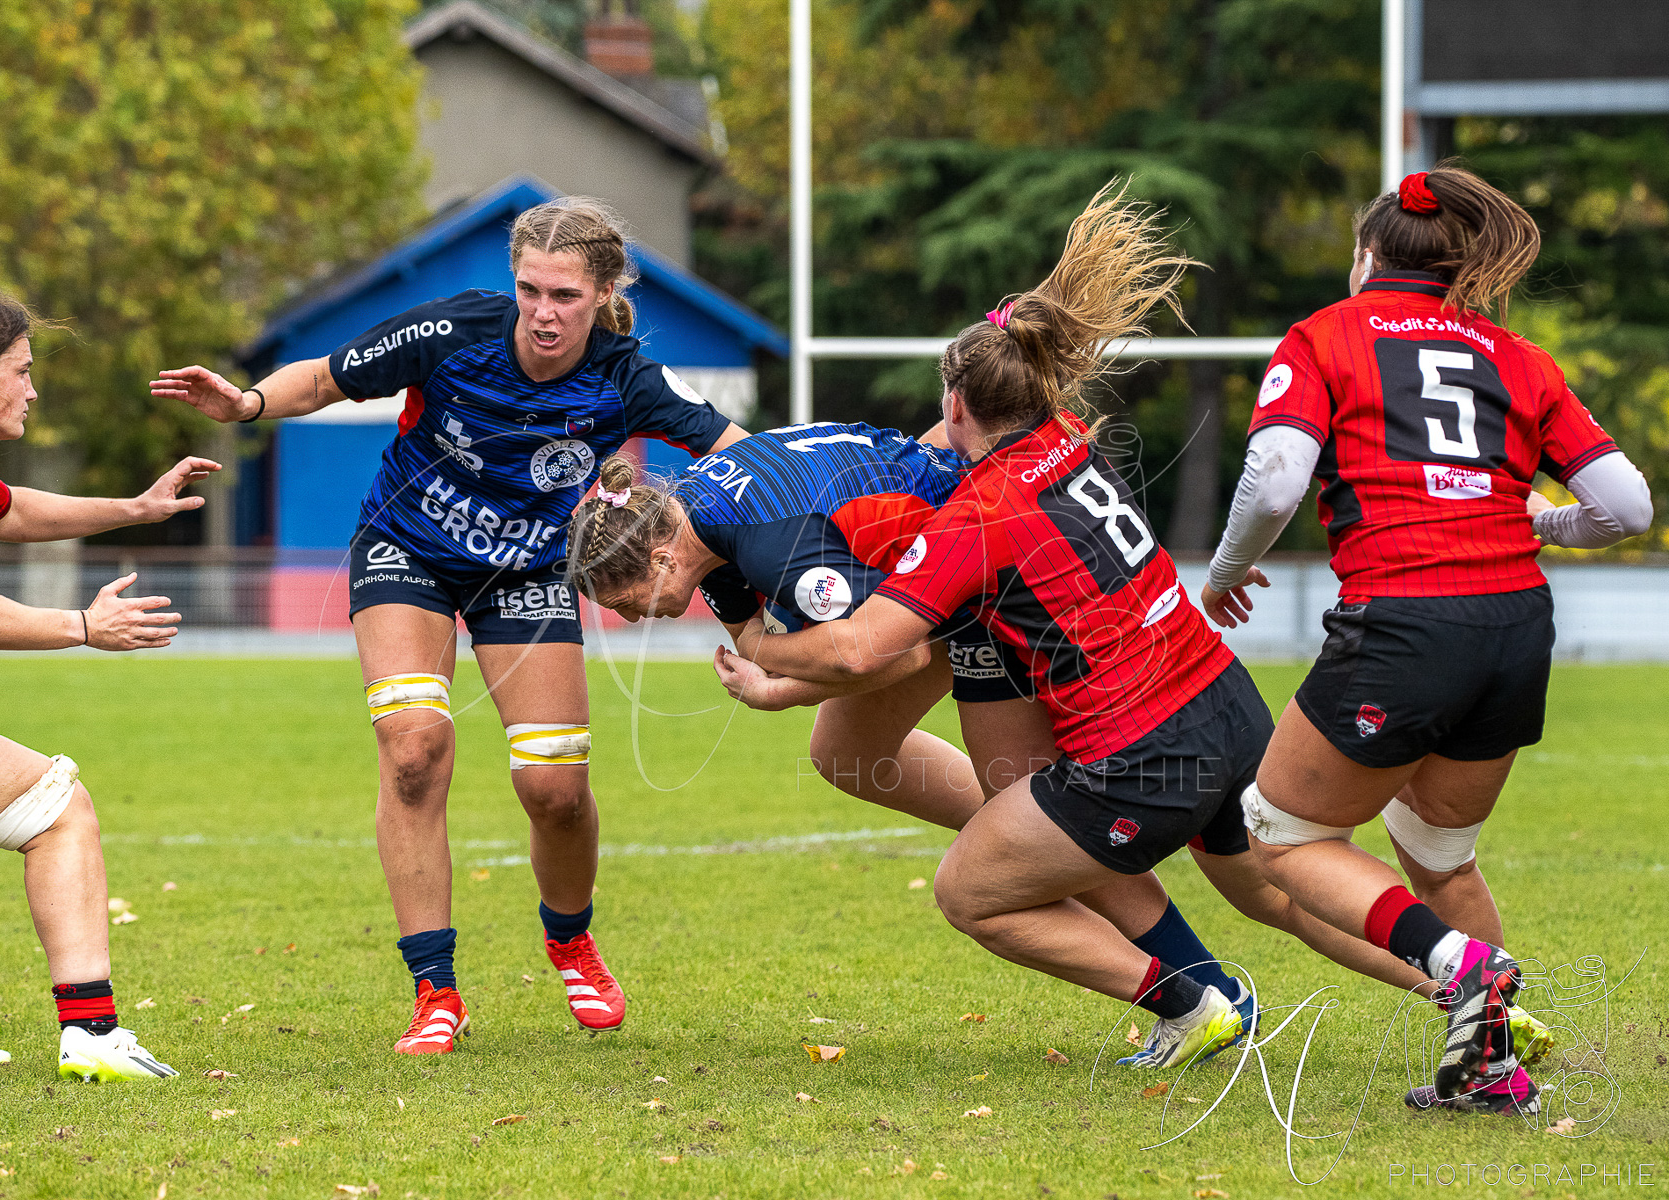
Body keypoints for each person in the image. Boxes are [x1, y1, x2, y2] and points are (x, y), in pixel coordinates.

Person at [725, 186, 1438, 1070]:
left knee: (977, 886)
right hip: (1223, 697)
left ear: (954, 406)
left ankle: (1189, 1001)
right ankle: (1470, 987)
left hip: (1144, 753)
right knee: (1282, 894)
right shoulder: (1067, 434)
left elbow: (867, 647)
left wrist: (761, 652)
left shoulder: (978, 517)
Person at [153, 197, 749, 1054]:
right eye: (530, 290)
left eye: (566, 297)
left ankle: (570, 938)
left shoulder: (629, 378)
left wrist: (758, 540)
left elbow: (740, 450)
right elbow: (323, 376)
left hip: (529, 573)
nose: (543, 313)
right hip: (408, 549)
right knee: (413, 751)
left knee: (554, 788)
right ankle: (436, 990)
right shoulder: (453, 331)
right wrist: (246, 403)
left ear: (606, 291)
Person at [565, 430, 1266, 1065]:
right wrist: (765, 654)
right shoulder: (699, 522)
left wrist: (770, 674)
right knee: (848, 754)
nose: (631, 618)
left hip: (982, 585)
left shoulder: (774, 544)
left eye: (627, 603)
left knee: (1028, 825)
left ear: (659, 558)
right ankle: (1194, 980)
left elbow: (880, 656)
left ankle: (1194, 992)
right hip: (951, 567)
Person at [1200, 164, 1652, 1114]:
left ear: (1367, 255)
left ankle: (1462, 968)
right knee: (1435, 850)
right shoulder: (1518, 356)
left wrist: (1228, 569)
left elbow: (1279, 479)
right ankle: (1489, 1067)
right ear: (1461, 267)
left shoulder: (1328, 333)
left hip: (1407, 616)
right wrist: (1544, 523)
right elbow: (1627, 506)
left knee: (1279, 835)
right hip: (1516, 626)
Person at [0, 286, 211, 1080]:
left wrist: (135, 508)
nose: (33, 388)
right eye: (22, 371)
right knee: (57, 805)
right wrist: (84, 629)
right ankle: (92, 1036)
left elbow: (7, 510)